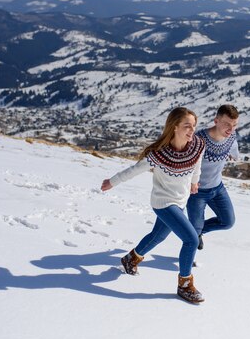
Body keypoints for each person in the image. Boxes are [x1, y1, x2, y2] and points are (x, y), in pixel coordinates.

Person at [100, 107, 206, 304]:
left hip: (180, 201)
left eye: (194, 126)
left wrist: (194, 181)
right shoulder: (158, 155)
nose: (192, 130)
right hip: (163, 203)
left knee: (158, 236)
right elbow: (133, 170)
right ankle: (184, 285)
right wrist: (112, 182)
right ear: (174, 127)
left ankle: (131, 259)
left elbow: (197, 165)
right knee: (191, 239)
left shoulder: (197, 146)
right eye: (187, 126)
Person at [187, 104, 239, 252]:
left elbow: (233, 149)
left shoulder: (231, 137)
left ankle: (197, 232)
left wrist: (232, 156)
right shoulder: (198, 140)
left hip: (217, 188)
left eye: (234, 125)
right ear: (216, 121)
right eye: (227, 124)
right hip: (196, 192)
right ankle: (187, 267)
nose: (231, 128)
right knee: (193, 234)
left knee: (228, 222)